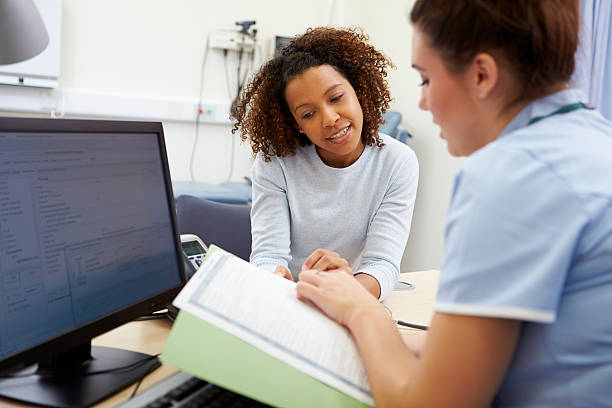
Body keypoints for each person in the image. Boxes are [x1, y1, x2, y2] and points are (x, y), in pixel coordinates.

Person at [296, 0, 612, 406]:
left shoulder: (509, 177)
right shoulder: (593, 137)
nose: (423, 103)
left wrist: (361, 311)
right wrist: (366, 321)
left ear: (482, 75)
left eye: (426, 79)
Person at [231, 27, 419, 300]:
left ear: (357, 89)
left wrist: (345, 291)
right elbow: (268, 254)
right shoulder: (276, 161)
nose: (329, 118)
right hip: (288, 300)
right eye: (308, 113)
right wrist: (272, 278)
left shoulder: (397, 163)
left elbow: (382, 265)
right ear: (297, 125)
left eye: (336, 98)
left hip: (348, 298)